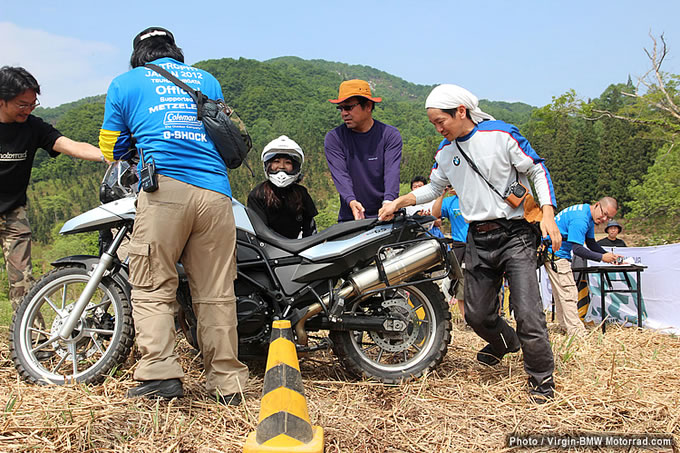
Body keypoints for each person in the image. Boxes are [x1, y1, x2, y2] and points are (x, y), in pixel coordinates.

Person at [379, 84, 562, 403]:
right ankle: (506, 343)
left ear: (460, 112)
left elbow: (536, 168)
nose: (438, 128)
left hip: (516, 233)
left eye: (441, 121)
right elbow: (434, 188)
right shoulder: (446, 152)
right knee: (476, 314)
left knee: (528, 313)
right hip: (477, 236)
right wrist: (400, 201)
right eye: (434, 123)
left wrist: (548, 213)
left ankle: (541, 383)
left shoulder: (501, 135)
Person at [99, 27, 248, 405]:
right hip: (217, 194)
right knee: (216, 292)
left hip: (163, 190)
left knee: (151, 285)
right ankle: (227, 382)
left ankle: (161, 374)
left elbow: (110, 147)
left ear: (138, 55)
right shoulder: (207, 79)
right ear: (175, 52)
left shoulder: (125, 83)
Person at [0, 66, 105, 311]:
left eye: (32, 105)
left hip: (14, 213)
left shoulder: (32, 126)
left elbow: (69, 145)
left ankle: (31, 344)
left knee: (23, 282)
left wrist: (107, 155)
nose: (27, 110)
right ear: (2, 101)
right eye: (21, 104)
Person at [324, 79, 402, 222]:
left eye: (348, 107)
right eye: (340, 108)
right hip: (351, 218)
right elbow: (341, 176)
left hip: (385, 215)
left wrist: (389, 201)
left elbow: (392, 172)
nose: (343, 113)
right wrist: (351, 201)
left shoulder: (389, 135)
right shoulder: (334, 138)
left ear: (368, 106)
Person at [546, 198, 625, 336]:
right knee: (569, 292)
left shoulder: (587, 214)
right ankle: (576, 332)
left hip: (555, 251)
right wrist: (601, 258)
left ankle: (565, 326)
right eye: (604, 214)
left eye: (609, 218)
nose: (604, 219)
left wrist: (607, 255)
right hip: (556, 253)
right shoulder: (580, 220)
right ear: (597, 205)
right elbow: (578, 249)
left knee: (561, 292)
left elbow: (590, 242)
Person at [247, 135, 317, 238]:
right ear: (268, 165)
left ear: (295, 167)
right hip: (268, 248)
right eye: (276, 161)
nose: (281, 166)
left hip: (297, 247)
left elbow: (310, 229)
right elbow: (259, 231)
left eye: (287, 162)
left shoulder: (301, 193)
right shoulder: (258, 195)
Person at [432, 187, 468, 319]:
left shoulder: (475, 195)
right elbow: (435, 214)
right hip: (460, 246)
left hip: (480, 244)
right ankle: (467, 321)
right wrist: (441, 192)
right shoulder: (450, 201)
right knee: (460, 286)